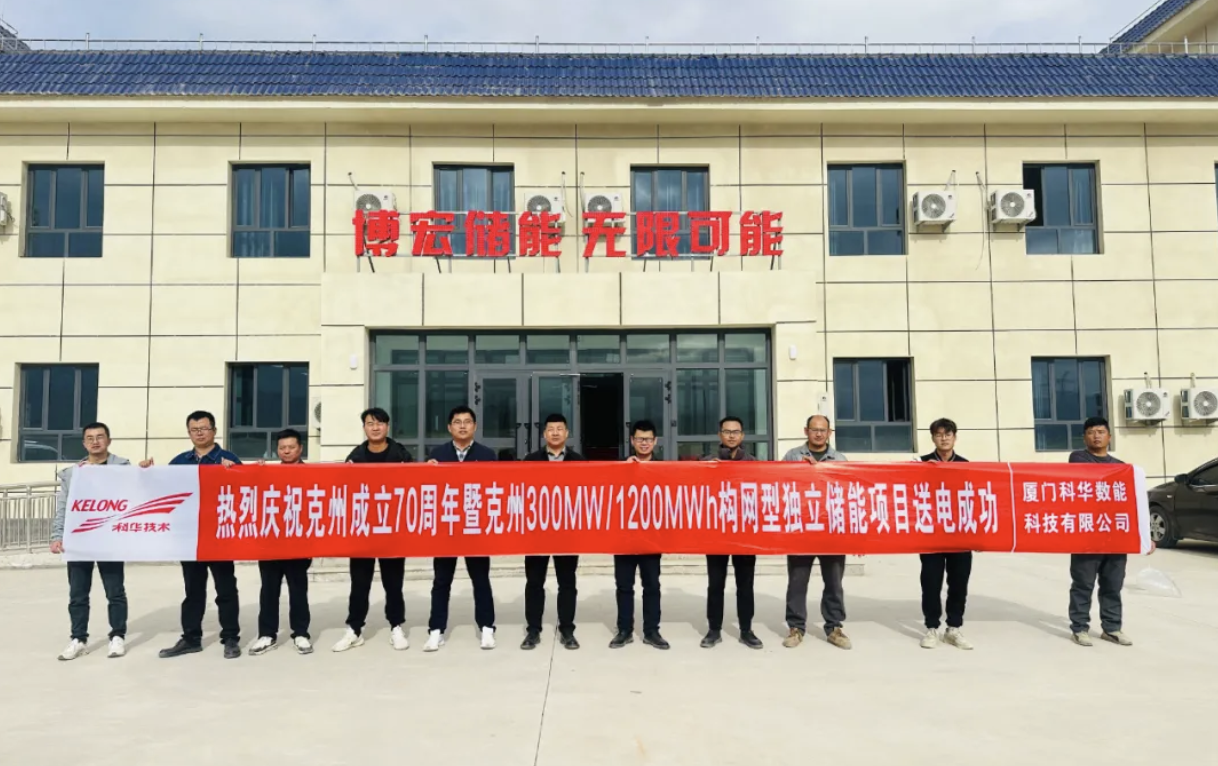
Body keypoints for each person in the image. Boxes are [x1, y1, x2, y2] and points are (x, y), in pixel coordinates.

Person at [157, 411, 244, 660]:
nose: (200, 433)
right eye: (194, 429)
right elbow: (163, 491)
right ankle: (191, 638)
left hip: (220, 536)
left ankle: (230, 638)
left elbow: (245, 493)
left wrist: (234, 473)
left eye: (204, 428)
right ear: (189, 433)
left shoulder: (228, 459)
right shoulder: (179, 462)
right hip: (190, 537)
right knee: (193, 591)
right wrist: (146, 473)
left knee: (226, 589)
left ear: (214, 431)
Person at [50, 423, 138, 661]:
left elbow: (136, 495)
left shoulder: (123, 469)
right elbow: (64, 506)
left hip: (109, 539)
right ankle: (78, 639)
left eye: (100, 437)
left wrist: (145, 473)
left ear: (108, 440)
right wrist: (57, 535)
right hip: (79, 540)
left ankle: (117, 636)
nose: (95, 441)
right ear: (84, 443)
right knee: (78, 594)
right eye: (90, 438)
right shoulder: (74, 474)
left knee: (115, 591)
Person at [332, 408, 414, 653]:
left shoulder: (401, 454)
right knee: (359, 584)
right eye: (370, 423)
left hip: (392, 529)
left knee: (393, 583)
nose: (375, 428)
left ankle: (396, 626)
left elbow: (416, 484)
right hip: (363, 530)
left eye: (379, 423)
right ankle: (354, 629)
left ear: (387, 426)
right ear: (364, 428)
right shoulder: (355, 457)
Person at [425, 406, 498, 651]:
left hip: (476, 527)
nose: (463, 426)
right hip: (447, 528)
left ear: (475, 427)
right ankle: (436, 630)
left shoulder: (487, 455)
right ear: (449, 427)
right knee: (441, 581)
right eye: (458, 422)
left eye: (468, 422)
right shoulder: (437, 455)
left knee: (481, 580)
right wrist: (427, 471)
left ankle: (487, 628)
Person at [782, 414, 852, 650]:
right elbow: (781, 486)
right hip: (801, 530)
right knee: (797, 581)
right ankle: (796, 627)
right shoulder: (792, 457)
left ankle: (834, 627)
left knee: (834, 582)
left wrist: (820, 471)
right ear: (806, 431)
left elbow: (847, 493)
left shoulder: (840, 459)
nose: (819, 434)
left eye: (823, 430)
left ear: (829, 433)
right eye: (814, 429)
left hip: (831, 531)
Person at [520, 413, 585, 651]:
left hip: (567, 532)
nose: (555, 433)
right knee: (534, 583)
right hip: (537, 532)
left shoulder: (579, 462)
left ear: (567, 433)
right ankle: (533, 631)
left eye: (560, 429)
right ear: (544, 434)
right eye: (551, 429)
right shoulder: (530, 460)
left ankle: (567, 630)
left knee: (567, 583)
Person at [248, 429, 315, 657]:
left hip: (299, 543)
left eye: (291, 447)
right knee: (268, 590)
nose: (286, 451)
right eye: (282, 448)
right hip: (271, 542)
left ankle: (301, 633)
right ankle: (267, 634)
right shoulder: (268, 473)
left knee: (298, 590)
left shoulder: (312, 474)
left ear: (300, 449)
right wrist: (256, 471)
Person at [1068, 416, 1132, 648]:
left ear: (1109, 437)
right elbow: (1089, 475)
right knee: (1083, 583)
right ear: (1084, 437)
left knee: (1113, 584)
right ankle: (1079, 628)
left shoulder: (1122, 467)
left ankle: (1112, 628)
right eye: (1091, 432)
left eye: (1101, 432)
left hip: (1114, 534)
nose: (1096, 436)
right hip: (1087, 533)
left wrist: (1145, 537)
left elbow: (1131, 503)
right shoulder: (1078, 458)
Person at [700, 416, 763, 650]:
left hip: (744, 533)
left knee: (745, 585)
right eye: (726, 432)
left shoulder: (754, 463)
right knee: (715, 584)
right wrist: (708, 471)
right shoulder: (706, 462)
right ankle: (713, 630)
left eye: (736, 432)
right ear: (720, 435)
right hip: (716, 533)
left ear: (742, 436)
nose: (731, 436)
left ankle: (746, 630)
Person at [611, 420, 669, 650]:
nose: (644, 443)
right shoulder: (620, 466)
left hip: (651, 538)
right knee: (624, 586)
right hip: (624, 537)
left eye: (648, 439)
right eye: (639, 439)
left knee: (652, 585)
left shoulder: (664, 469)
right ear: (632, 441)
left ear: (655, 441)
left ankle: (651, 631)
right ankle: (624, 630)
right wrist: (623, 470)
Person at [917, 418, 974, 650]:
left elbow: (975, 499)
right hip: (931, 534)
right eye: (939, 434)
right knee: (930, 583)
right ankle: (932, 627)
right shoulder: (921, 464)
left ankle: (953, 628)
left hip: (959, 535)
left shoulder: (966, 465)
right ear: (933, 438)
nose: (943, 438)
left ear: (954, 437)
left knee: (959, 583)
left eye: (947, 434)